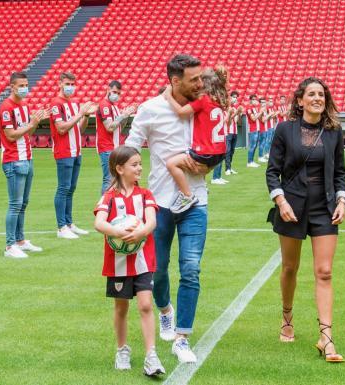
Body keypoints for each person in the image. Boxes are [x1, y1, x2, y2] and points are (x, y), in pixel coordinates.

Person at [126, 54, 209, 364]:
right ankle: (165, 312)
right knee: (158, 270)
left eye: (201, 78)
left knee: (190, 268)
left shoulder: (204, 108)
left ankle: (182, 337)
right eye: (194, 80)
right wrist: (123, 188)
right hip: (158, 202)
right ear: (176, 81)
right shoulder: (150, 109)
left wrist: (207, 164)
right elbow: (130, 148)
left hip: (196, 200)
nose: (200, 84)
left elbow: (219, 144)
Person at [266, 77, 345, 363]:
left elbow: (339, 172)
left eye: (321, 94)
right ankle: (287, 318)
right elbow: (272, 172)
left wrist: (342, 199)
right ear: (300, 101)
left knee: (324, 271)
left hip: (324, 208)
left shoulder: (334, 132)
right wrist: (281, 201)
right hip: (291, 206)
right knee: (290, 267)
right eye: (311, 94)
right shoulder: (284, 130)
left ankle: (326, 337)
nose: (317, 98)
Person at [93, 146, 165, 377]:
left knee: (145, 305)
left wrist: (140, 232)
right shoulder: (109, 197)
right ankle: (122, 349)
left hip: (143, 260)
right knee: (121, 307)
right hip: (118, 263)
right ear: (120, 168)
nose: (140, 168)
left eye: (140, 164)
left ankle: (151, 355)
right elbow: (99, 223)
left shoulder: (145, 195)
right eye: (134, 165)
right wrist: (117, 230)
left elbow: (152, 221)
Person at [162, 65, 228, 213]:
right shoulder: (219, 101)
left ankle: (187, 195)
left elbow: (180, 112)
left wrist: (168, 96)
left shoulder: (204, 99)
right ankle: (200, 188)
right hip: (220, 152)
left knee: (171, 164)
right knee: (198, 170)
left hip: (205, 151)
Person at [0, 72, 47, 259]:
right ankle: (10, 244)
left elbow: (27, 132)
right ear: (12, 86)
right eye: (21, 85)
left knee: (23, 203)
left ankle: (20, 240)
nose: (25, 88)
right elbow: (11, 135)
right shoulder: (6, 107)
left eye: (26, 84)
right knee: (15, 204)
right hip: (13, 159)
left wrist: (35, 122)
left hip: (26, 156)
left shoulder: (23, 105)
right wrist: (32, 123)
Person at [49, 71, 96, 239]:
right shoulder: (56, 103)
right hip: (64, 151)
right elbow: (61, 128)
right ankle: (61, 227)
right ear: (60, 84)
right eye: (67, 84)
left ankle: (69, 223)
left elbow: (79, 129)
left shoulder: (75, 103)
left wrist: (86, 116)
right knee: (63, 188)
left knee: (71, 188)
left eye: (72, 84)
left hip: (76, 150)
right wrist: (80, 113)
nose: (70, 87)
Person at [96, 80, 136, 194]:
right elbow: (109, 127)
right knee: (109, 179)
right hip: (107, 147)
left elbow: (119, 128)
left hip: (114, 147)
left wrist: (125, 116)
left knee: (114, 179)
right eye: (114, 92)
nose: (116, 95)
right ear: (108, 89)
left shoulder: (114, 106)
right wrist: (123, 115)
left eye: (118, 93)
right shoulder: (104, 105)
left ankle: (110, 206)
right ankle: (104, 207)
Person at [224, 90, 242, 175]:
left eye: (236, 97)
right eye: (234, 97)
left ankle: (229, 167)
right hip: (228, 131)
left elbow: (238, 123)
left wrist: (239, 114)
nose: (235, 99)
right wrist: (236, 113)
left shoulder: (235, 107)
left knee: (232, 151)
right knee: (227, 150)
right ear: (230, 97)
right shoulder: (227, 107)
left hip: (235, 132)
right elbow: (228, 121)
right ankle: (227, 169)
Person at [246, 94, 263, 167]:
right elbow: (253, 118)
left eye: (255, 99)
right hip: (253, 129)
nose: (255, 101)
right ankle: (249, 162)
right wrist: (261, 112)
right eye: (253, 99)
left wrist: (260, 112)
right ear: (250, 100)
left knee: (255, 146)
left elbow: (259, 118)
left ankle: (252, 161)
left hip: (258, 128)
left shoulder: (256, 108)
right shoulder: (249, 108)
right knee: (252, 146)